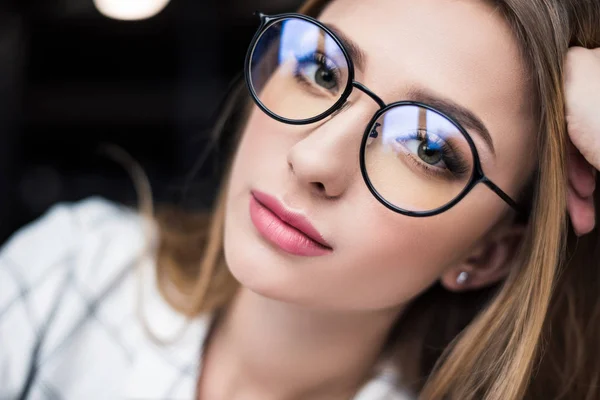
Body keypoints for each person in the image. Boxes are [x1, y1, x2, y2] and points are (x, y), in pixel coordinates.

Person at [1, 0, 599, 399]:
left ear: (491, 252)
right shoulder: (75, 268)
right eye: (320, 68)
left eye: (426, 147)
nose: (312, 159)